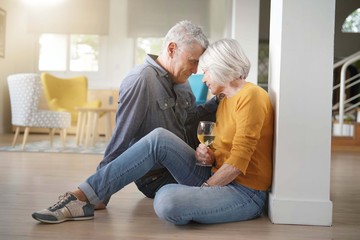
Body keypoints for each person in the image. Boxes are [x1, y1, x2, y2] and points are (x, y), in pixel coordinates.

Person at [32, 38, 274, 225]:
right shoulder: (224, 99)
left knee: (167, 199)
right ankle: (83, 197)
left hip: (244, 192)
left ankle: (88, 199)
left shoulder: (251, 96)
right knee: (159, 138)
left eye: (206, 70)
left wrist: (204, 192)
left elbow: (238, 163)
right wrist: (207, 155)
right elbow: (224, 150)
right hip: (216, 176)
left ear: (222, 67)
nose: (202, 76)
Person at [95, 20, 217, 206]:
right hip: (156, 178)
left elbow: (191, 120)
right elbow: (121, 139)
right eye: (192, 62)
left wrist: (221, 99)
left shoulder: (182, 81)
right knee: (229, 185)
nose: (194, 70)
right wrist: (99, 194)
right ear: (171, 49)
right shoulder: (141, 80)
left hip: (184, 164)